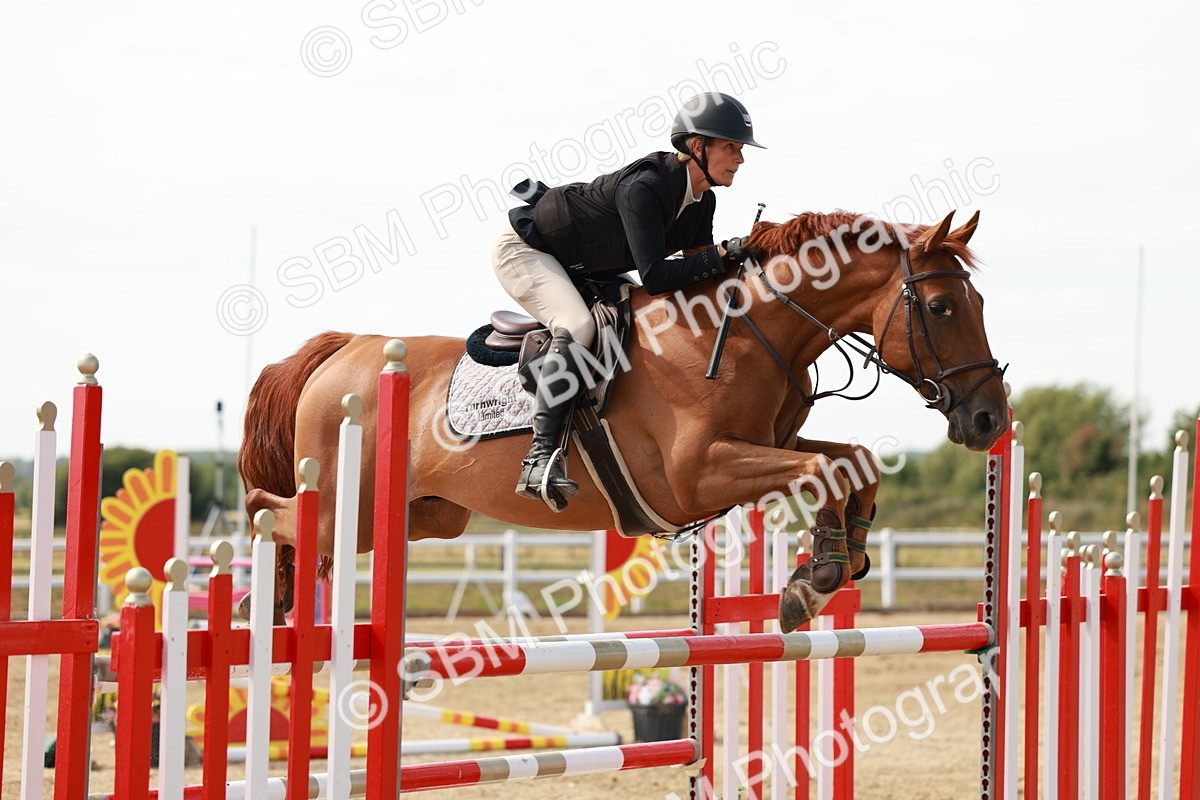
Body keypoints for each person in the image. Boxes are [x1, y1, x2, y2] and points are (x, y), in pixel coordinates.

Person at [493, 92, 766, 507]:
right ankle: (540, 458)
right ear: (697, 147)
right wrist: (723, 254)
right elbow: (656, 276)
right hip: (528, 251)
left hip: (585, 264)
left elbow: (696, 270)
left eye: (740, 149)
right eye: (731, 147)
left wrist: (742, 266)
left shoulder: (701, 201)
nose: (740, 159)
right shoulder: (647, 187)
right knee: (580, 326)